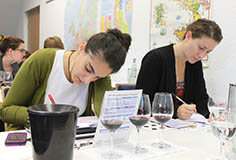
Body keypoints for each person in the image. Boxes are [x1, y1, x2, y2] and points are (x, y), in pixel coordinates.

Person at [0, 28, 131, 130]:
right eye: (88, 69)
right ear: (82, 48)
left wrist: (102, 79)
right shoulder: (42, 60)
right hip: (35, 139)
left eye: (97, 77)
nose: (87, 81)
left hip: (72, 142)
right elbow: (6, 110)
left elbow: (107, 115)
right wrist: (41, 116)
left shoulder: (98, 75)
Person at [136, 18, 223, 120]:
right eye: (201, 48)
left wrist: (212, 115)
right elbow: (142, 103)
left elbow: (200, 99)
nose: (202, 55)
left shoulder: (195, 64)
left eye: (208, 52)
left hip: (179, 129)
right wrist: (176, 111)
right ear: (188, 36)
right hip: (154, 128)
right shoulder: (155, 58)